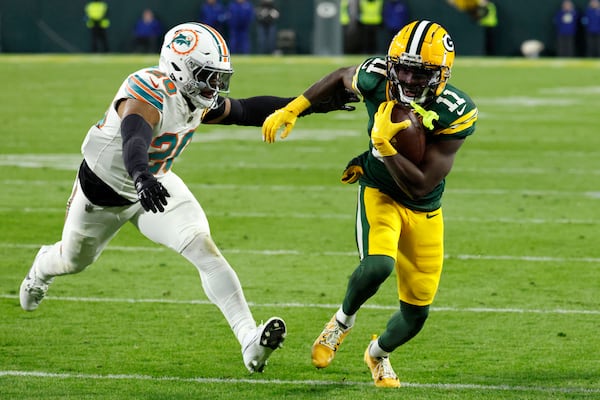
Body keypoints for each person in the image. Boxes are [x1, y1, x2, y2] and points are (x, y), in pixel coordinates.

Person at [18, 22, 357, 374]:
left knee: (204, 250)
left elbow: (244, 110)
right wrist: (140, 176)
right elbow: (135, 135)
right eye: (206, 76)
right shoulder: (149, 89)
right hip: (105, 194)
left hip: (157, 184)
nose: (214, 85)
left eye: (217, 77)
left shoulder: (192, 96)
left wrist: (312, 105)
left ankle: (249, 342)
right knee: (72, 261)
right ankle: (40, 270)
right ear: (180, 68)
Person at [262, 20, 478, 387]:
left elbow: (422, 183)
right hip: (378, 192)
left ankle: (377, 355)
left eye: (419, 71)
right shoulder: (378, 75)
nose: (408, 78)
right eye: (403, 67)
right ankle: (340, 323)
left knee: (416, 316)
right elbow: (341, 76)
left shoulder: (455, 110)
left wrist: (384, 148)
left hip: (423, 205)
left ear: (441, 74)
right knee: (378, 265)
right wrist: (295, 107)